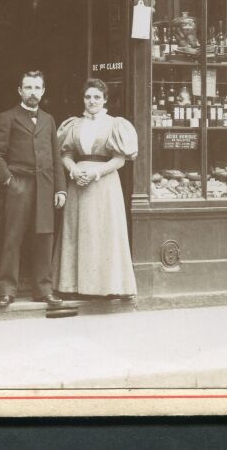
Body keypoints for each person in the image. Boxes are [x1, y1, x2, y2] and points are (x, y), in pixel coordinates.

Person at [0, 70, 67, 309]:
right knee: (13, 238)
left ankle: (44, 290)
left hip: (45, 186)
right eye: (28, 87)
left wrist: (60, 189)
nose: (33, 92)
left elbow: (56, 157)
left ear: (43, 91)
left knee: (44, 237)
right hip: (19, 185)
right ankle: (7, 290)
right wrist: (10, 182)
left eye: (37, 88)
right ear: (20, 91)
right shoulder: (7, 117)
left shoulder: (48, 120)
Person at [55, 78, 138, 298]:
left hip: (104, 185)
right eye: (88, 97)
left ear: (105, 99)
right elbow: (66, 154)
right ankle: (73, 286)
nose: (92, 101)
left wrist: (95, 173)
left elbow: (120, 160)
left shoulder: (115, 124)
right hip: (78, 184)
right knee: (78, 232)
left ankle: (107, 287)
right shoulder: (73, 125)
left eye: (97, 97)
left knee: (103, 232)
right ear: (83, 99)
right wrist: (73, 170)